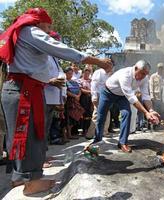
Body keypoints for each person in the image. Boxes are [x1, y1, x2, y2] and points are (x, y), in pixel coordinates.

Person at [0, 8, 112, 195]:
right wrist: (97, 61)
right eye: (48, 25)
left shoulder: (20, 32)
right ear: (38, 22)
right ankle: (31, 182)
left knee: (19, 138)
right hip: (26, 91)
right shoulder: (31, 31)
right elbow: (63, 50)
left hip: (20, 89)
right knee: (31, 137)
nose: (49, 30)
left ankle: (19, 177)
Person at [93, 60, 160, 153]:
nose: (143, 76)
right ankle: (97, 140)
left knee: (127, 114)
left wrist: (151, 110)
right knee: (101, 116)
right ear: (136, 68)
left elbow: (145, 95)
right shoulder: (125, 74)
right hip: (108, 92)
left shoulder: (145, 78)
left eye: (146, 74)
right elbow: (132, 98)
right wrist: (146, 113)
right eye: (142, 73)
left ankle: (122, 143)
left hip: (122, 96)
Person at [86, 67, 112, 139]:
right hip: (98, 94)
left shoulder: (110, 73)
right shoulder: (99, 72)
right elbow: (93, 84)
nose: (111, 67)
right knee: (96, 113)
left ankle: (105, 132)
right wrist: (94, 96)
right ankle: (90, 133)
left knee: (107, 113)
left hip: (107, 95)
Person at [78, 67, 93, 136]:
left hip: (90, 98)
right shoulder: (80, 80)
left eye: (88, 73)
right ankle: (83, 130)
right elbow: (81, 90)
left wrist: (90, 92)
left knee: (89, 113)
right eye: (85, 73)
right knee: (83, 113)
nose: (86, 74)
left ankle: (88, 129)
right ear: (83, 73)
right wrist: (90, 91)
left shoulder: (91, 81)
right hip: (83, 98)